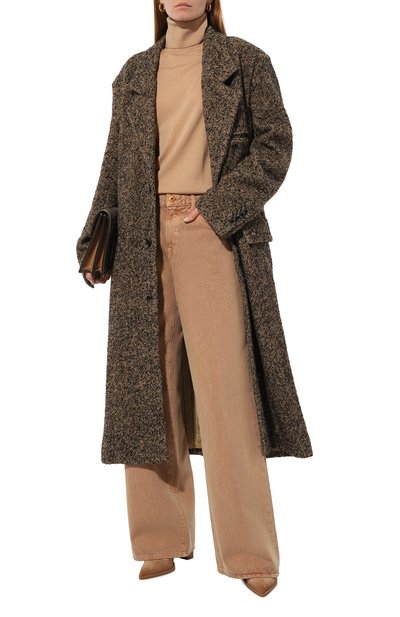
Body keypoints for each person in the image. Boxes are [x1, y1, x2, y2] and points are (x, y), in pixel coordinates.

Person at [76, 0, 313, 599]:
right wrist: (95, 237)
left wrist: (216, 209)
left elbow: (275, 145)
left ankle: (250, 553)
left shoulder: (245, 61)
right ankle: (158, 540)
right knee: (146, 387)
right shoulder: (134, 72)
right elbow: (114, 160)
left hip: (214, 230)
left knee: (227, 390)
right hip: (140, 238)